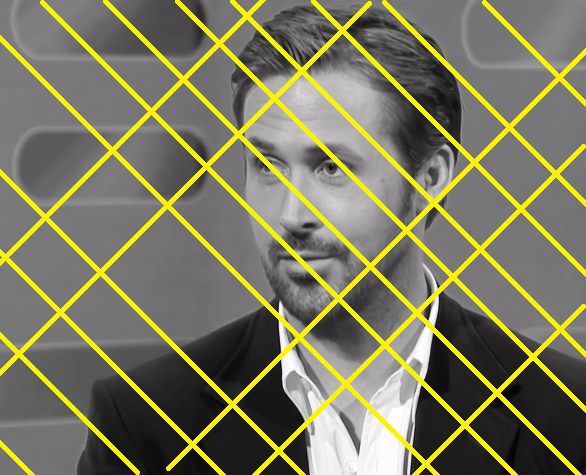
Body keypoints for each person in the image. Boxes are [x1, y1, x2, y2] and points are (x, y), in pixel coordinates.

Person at [77, 4, 586, 474]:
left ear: (430, 179)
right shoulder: (147, 426)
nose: (291, 215)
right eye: (268, 165)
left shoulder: (565, 417)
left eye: (331, 168)